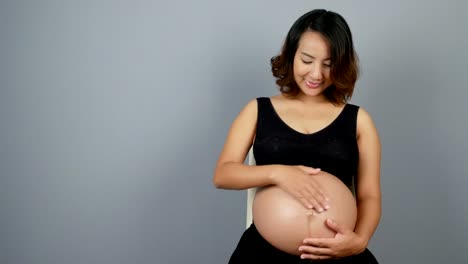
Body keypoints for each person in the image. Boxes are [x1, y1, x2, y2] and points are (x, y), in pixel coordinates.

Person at [213, 9, 381, 263]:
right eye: (307, 60)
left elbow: (369, 195)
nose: (316, 74)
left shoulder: (359, 120)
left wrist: (359, 241)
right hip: (262, 253)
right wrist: (279, 173)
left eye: (328, 64)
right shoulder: (257, 110)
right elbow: (223, 174)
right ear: (291, 55)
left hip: (337, 253)